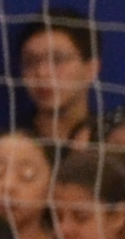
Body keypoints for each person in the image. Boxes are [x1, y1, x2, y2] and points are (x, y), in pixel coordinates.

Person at [13, 9, 105, 149]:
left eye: (58, 60)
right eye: (30, 62)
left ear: (91, 68)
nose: (42, 73)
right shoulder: (11, 146)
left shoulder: (111, 143)